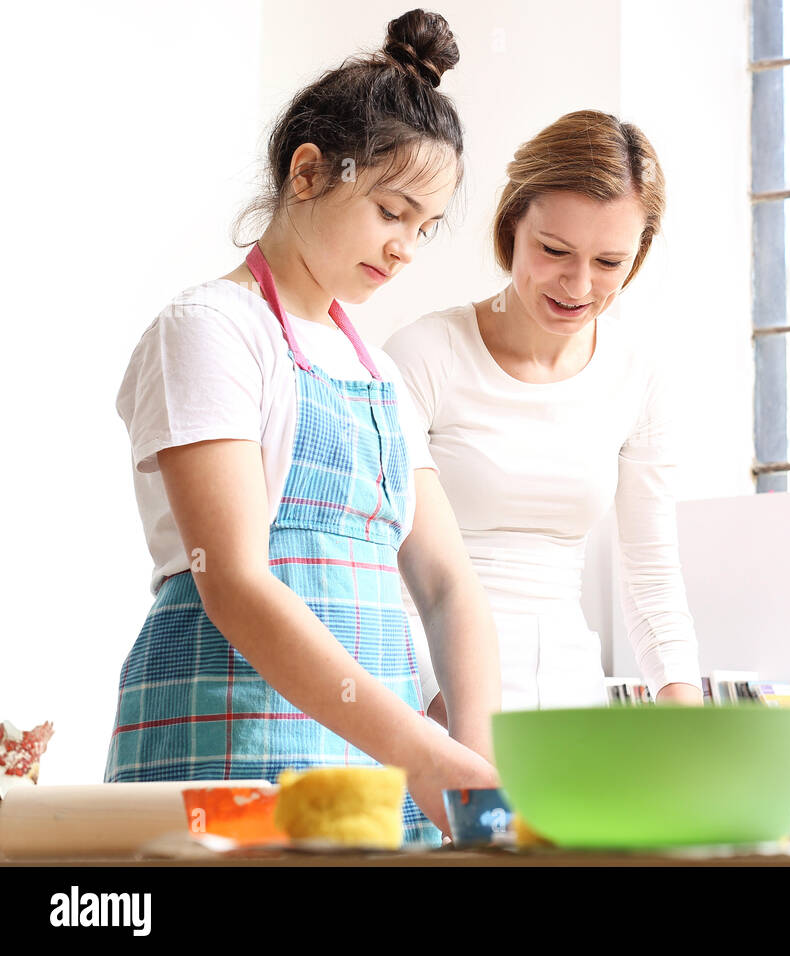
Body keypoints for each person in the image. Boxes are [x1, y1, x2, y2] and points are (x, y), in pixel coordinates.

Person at [105, 9, 499, 845]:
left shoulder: (379, 374)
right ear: (309, 172)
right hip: (231, 733)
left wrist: (473, 751)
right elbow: (236, 581)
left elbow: (446, 584)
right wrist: (419, 750)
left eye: (425, 230)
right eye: (392, 212)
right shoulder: (212, 329)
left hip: (378, 758)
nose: (405, 252)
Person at [385, 110, 702, 714]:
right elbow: (377, 558)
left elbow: (651, 574)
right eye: (555, 250)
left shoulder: (637, 376)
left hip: (567, 696)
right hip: (430, 690)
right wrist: (437, 705)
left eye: (610, 262)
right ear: (511, 228)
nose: (578, 285)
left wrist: (684, 712)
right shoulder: (424, 355)